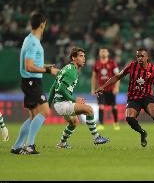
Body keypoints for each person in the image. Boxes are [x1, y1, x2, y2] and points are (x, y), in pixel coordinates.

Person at [94, 48, 154, 149]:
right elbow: (117, 77)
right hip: (134, 98)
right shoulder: (132, 66)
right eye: (138, 56)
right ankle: (142, 133)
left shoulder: (153, 69)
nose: (139, 58)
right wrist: (103, 87)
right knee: (129, 118)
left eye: (142, 56)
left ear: (147, 57)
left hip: (147, 97)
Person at [11, 12, 59, 155]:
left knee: (33, 116)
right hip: (32, 82)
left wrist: (47, 66)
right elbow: (29, 66)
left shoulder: (29, 39)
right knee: (45, 112)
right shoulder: (33, 43)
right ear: (43, 24)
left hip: (28, 81)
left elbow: (32, 63)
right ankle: (30, 145)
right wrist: (48, 70)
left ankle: (17, 146)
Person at [48, 47, 109, 149]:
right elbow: (62, 89)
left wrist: (48, 103)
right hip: (63, 104)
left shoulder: (65, 68)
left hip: (59, 103)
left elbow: (54, 86)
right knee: (89, 110)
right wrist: (74, 99)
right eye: (81, 56)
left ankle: (62, 143)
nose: (83, 58)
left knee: (74, 122)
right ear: (73, 58)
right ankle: (96, 137)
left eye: (84, 56)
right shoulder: (72, 71)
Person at [91, 48, 120, 131]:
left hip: (111, 89)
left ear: (108, 53)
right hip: (101, 89)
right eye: (102, 51)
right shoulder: (96, 64)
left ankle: (116, 122)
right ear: (99, 53)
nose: (103, 52)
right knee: (101, 106)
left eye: (105, 51)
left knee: (114, 107)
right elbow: (94, 77)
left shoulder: (112, 63)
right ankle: (101, 124)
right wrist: (93, 89)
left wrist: (116, 87)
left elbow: (117, 76)